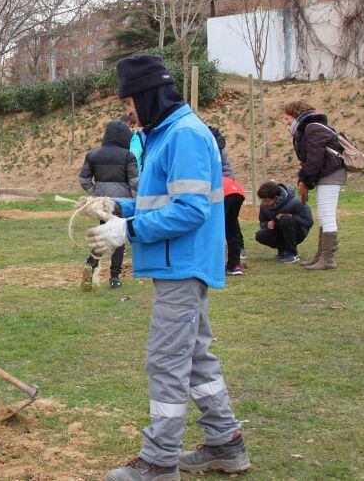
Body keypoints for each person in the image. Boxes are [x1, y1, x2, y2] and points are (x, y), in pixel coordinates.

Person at [85, 55, 248, 480]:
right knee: (194, 357)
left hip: (184, 265)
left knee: (166, 361)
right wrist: (117, 206)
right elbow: (163, 202)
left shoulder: (185, 135)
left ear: (147, 94)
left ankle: (158, 462)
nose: (127, 111)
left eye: (129, 101)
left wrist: (128, 231)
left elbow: (191, 211)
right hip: (180, 265)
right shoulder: (165, 134)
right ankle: (225, 442)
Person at [284, 101, 345, 271]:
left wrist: (305, 181)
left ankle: (328, 258)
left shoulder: (312, 128)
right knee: (324, 215)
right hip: (327, 173)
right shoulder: (311, 128)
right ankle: (321, 256)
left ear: (295, 114)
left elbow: (314, 159)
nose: (286, 122)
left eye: (287, 118)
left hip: (331, 173)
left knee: (327, 215)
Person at [78, 120, 138, 290]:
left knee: (103, 234)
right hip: (123, 205)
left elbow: (83, 179)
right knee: (119, 238)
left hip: (103, 205)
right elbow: (134, 183)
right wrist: (136, 201)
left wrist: (95, 194)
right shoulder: (128, 156)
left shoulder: (93, 155)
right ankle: (114, 278)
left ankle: (91, 263)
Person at [254, 181, 313, 263]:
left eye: (266, 201)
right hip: (278, 231)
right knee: (260, 235)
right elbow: (262, 222)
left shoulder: (296, 202)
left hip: (298, 233)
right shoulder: (264, 206)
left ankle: (292, 254)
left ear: (276, 197)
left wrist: (292, 217)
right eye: (263, 201)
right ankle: (283, 250)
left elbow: (309, 222)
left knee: (285, 219)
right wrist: (267, 224)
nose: (264, 203)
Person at [223, 176, 246, 275]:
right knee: (231, 227)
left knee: (216, 229)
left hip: (224, 194)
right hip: (238, 192)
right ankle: (235, 266)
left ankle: (215, 264)